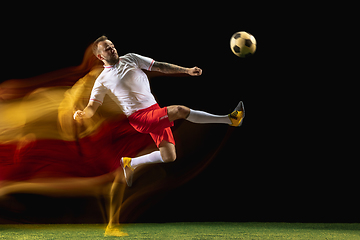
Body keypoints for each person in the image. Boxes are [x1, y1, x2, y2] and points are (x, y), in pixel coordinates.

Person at [74, 35, 245, 187]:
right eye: (107, 48)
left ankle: (129, 163)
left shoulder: (131, 58)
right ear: (100, 56)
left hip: (154, 110)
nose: (112, 49)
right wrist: (83, 114)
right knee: (179, 110)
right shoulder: (102, 80)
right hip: (139, 118)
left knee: (169, 155)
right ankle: (230, 119)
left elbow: (160, 66)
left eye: (112, 45)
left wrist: (186, 70)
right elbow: (92, 107)